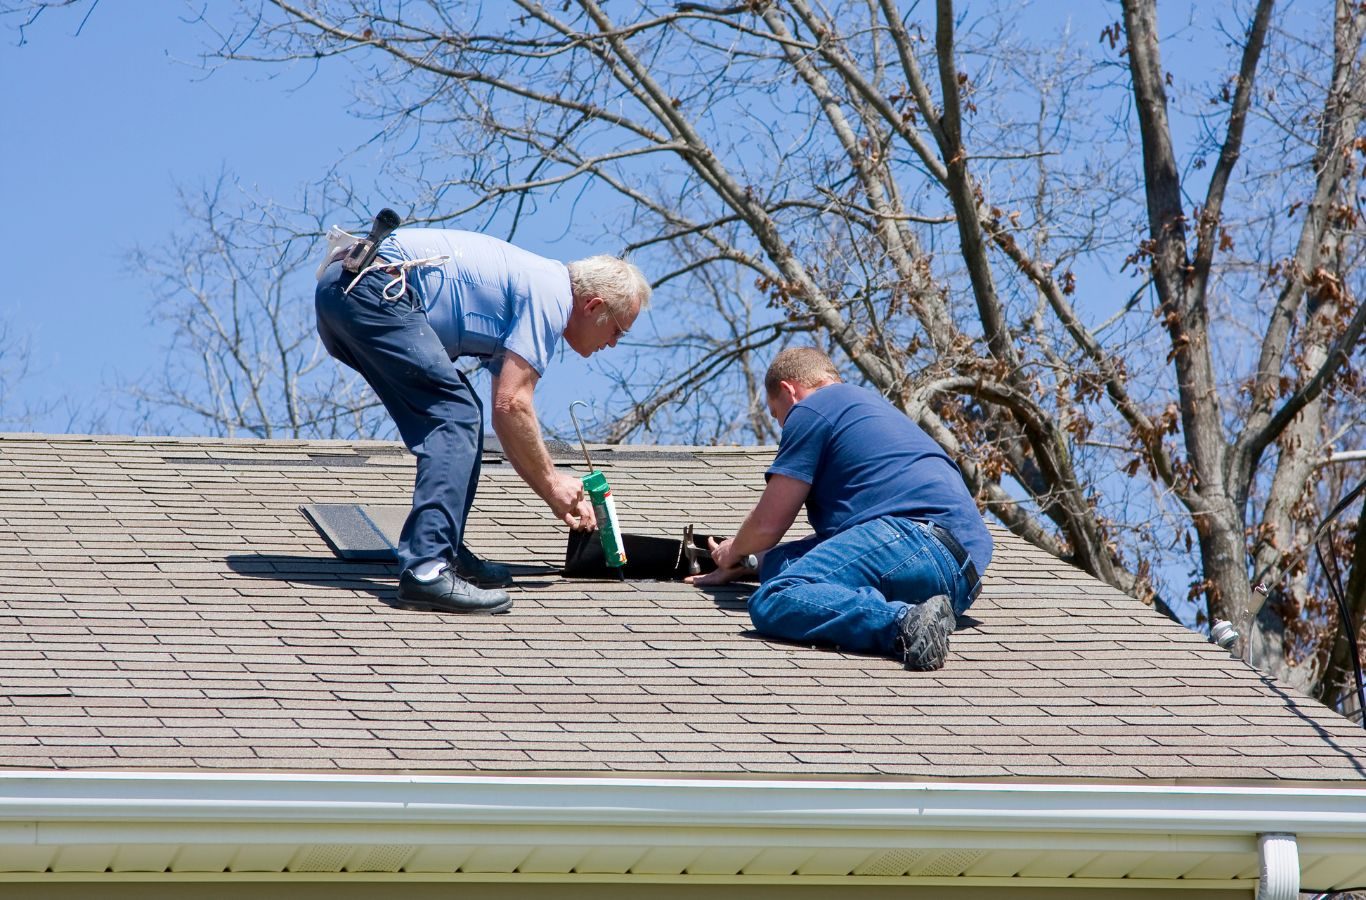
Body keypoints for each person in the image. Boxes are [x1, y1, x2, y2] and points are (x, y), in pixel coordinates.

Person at [316, 226, 650, 616]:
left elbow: (504, 414)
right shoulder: (551, 295)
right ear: (593, 307)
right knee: (455, 415)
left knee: (462, 414)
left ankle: (445, 550)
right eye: (617, 331)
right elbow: (513, 405)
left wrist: (551, 488)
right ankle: (427, 570)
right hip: (373, 289)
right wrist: (553, 484)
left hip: (345, 290)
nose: (612, 342)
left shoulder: (535, 284)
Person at [687, 347, 992, 670]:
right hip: (958, 581)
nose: (784, 427)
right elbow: (839, 550)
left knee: (776, 597)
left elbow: (768, 525)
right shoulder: (869, 411)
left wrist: (733, 551)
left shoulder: (813, 408)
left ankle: (904, 622)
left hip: (912, 539)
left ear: (789, 391)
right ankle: (921, 616)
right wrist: (752, 563)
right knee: (785, 570)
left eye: (778, 416)